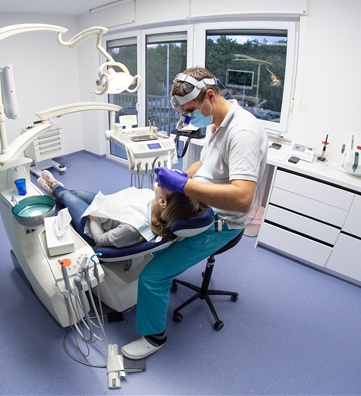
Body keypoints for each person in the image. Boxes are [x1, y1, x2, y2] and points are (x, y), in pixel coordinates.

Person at [121, 67, 268, 360]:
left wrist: (184, 187)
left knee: (152, 276)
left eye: (190, 110)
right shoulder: (217, 123)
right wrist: (179, 177)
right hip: (200, 205)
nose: (188, 118)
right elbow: (204, 164)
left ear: (209, 96)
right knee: (149, 232)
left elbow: (242, 199)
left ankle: (154, 337)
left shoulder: (243, 133)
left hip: (221, 223)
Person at [37, 170, 207, 249]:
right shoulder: (155, 200)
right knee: (77, 193)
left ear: (163, 202)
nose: (166, 181)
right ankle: (56, 193)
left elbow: (100, 240)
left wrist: (93, 218)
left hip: (94, 224)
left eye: (170, 185)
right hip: (107, 206)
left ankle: (54, 187)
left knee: (67, 196)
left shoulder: (134, 228)